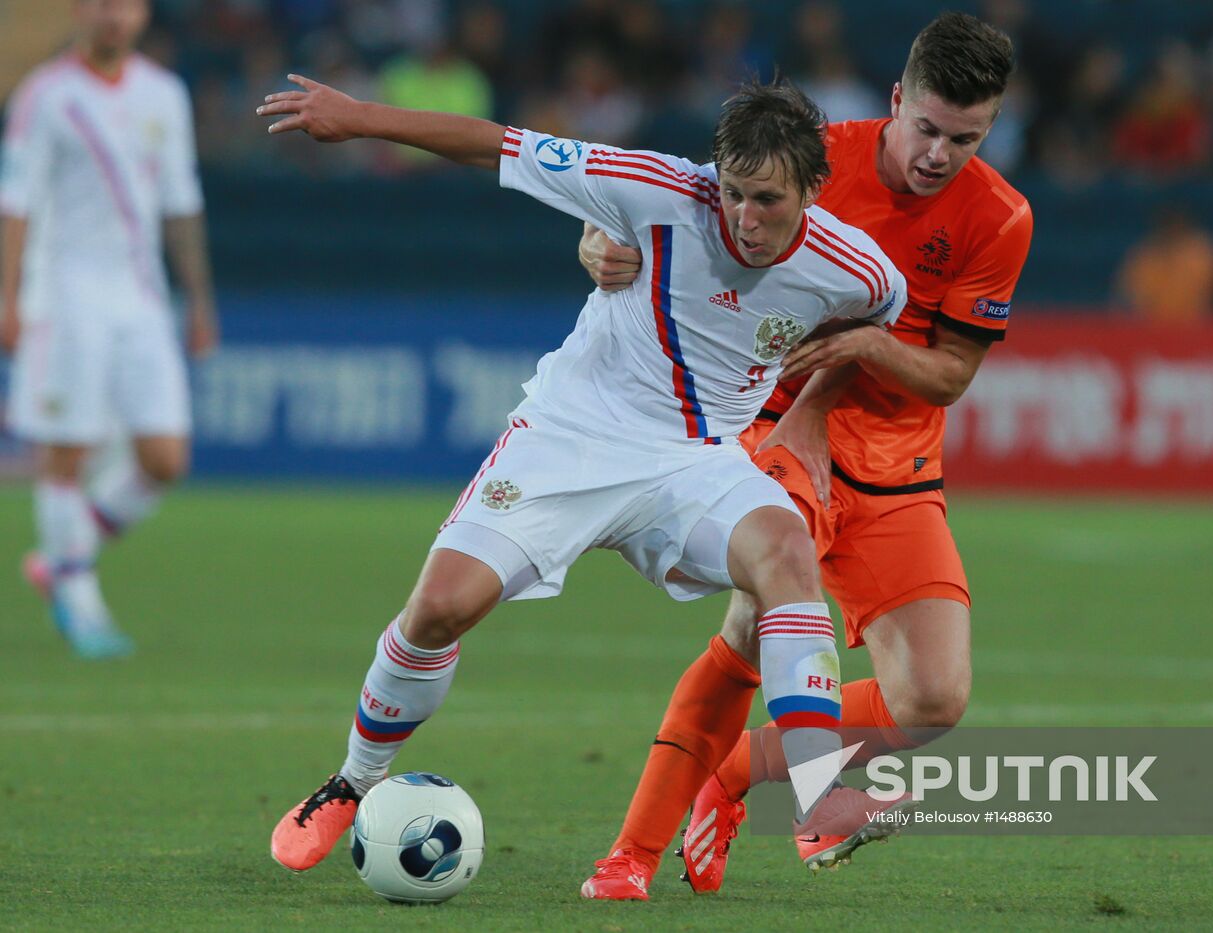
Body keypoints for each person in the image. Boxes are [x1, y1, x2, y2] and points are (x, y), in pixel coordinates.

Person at [255, 75, 909, 899]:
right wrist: (360, 120)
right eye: (734, 193)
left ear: (812, 189)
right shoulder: (653, 187)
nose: (745, 217)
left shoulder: (857, 269)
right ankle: (352, 781)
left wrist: (812, 408)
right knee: (439, 608)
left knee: (785, 549)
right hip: (570, 438)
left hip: (693, 459)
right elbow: (497, 143)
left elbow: (879, 324)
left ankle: (821, 792)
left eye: (768, 200)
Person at [578, 10, 1033, 895]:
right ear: (897, 100)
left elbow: (947, 375)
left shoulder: (1000, 217)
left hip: (898, 463)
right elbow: (669, 204)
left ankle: (738, 769)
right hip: (775, 423)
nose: (939, 154)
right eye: (928, 129)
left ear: (993, 127)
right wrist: (601, 240)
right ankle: (627, 857)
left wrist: (865, 345)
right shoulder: (814, 160)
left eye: (966, 139)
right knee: (755, 627)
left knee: (934, 697)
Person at [1, 0, 219, 660]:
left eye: (123, 4)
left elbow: (181, 202)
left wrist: (199, 298)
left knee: (164, 459)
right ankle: (80, 601)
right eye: (99, 3)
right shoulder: (46, 96)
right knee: (65, 453)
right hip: (64, 297)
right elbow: (15, 202)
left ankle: (59, 560)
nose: (111, 16)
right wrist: (7, 295)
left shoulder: (164, 93)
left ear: (142, 13)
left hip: (142, 299)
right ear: (79, 10)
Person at [1116, 207, 1213, 325]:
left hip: (1195, 322)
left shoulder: (1203, 253)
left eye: (1177, 227)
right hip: (1152, 324)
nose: (1172, 231)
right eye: (1168, 228)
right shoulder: (1144, 254)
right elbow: (1133, 293)